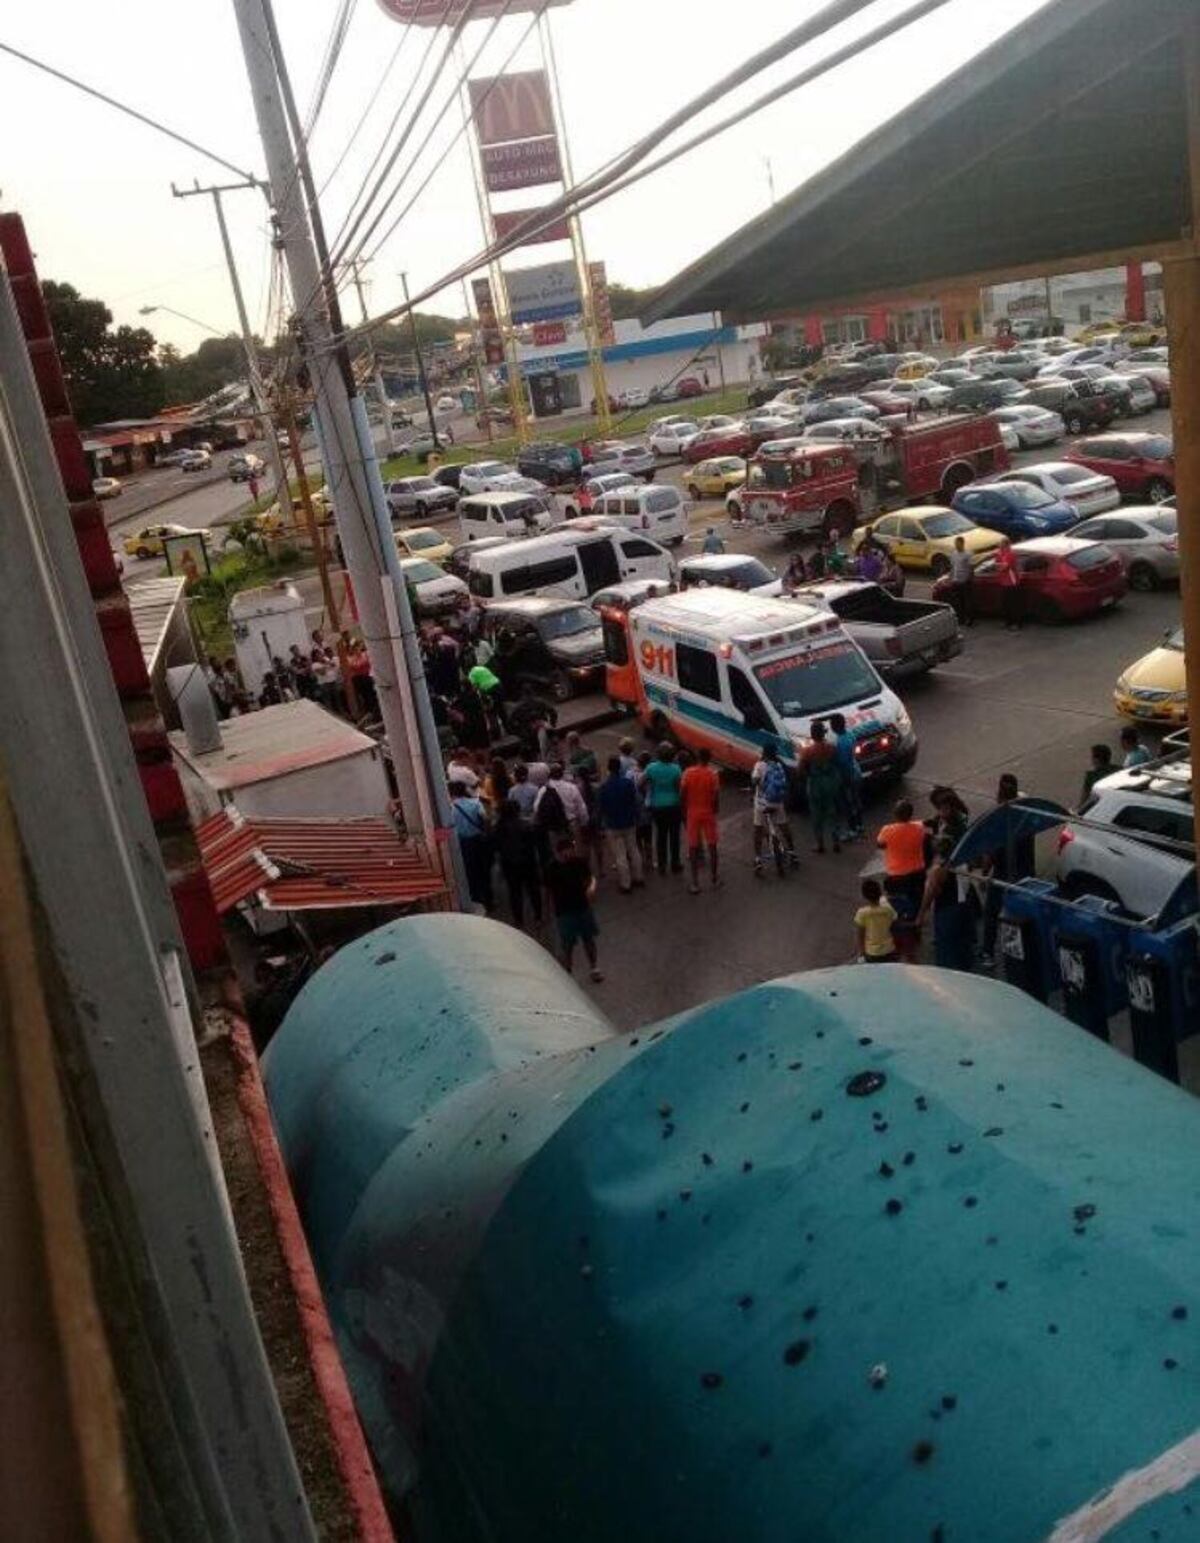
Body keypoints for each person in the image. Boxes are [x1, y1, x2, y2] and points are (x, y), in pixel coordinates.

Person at [979, 772, 1034, 968]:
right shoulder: (1025, 811)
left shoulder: (1000, 819)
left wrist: (984, 873)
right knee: (1023, 913)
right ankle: (1026, 952)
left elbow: (990, 854)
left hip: (1003, 874)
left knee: (992, 913)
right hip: (1025, 872)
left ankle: (988, 952)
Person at [543, 832, 603, 982]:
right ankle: (568, 971)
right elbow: (548, 891)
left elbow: (590, 878)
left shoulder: (579, 862)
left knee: (588, 939)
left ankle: (594, 968)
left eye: (572, 850)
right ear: (560, 852)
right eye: (568, 850)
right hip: (564, 911)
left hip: (583, 906)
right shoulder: (551, 868)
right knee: (567, 944)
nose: (571, 853)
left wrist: (591, 888)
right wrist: (548, 911)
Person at [876, 799, 928, 961]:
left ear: (895, 814)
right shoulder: (919, 828)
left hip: (897, 876)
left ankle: (901, 940)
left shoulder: (887, 830)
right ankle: (915, 932)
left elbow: (880, 845)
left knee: (898, 909)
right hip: (918, 873)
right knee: (916, 903)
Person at [917, 836, 976, 972]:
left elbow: (930, 893)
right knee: (963, 944)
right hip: (965, 906)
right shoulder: (962, 863)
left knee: (945, 948)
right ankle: (966, 970)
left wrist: (921, 914)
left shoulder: (939, 870)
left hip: (947, 908)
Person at [597, 754, 644, 894]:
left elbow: (601, 807)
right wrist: (637, 817)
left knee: (620, 855)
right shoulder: (627, 783)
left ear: (608, 769)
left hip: (613, 824)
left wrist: (601, 824)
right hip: (629, 821)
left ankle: (626, 883)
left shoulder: (604, 787)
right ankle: (638, 877)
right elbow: (634, 801)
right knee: (634, 850)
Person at [495, 799, 543, 929]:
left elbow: (496, 847)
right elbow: (534, 845)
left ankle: (519, 920)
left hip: (509, 865)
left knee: (514, 892)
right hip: (528, 862)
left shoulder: (499, 828)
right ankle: (538, 917)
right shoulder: (526, 825)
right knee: (533, 890)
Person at [751, 743, 798, 876]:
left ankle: (758, 859)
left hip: (762, 803)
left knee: (758, 829)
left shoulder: (759, 765)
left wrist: (757, 786)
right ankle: (793, 853)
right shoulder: (779, 765)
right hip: (777, 803)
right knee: (784, 827)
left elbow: (754, 781)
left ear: (764, 753)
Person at [680, 745, 722, 892]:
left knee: (693, 846)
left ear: (697, 758)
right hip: (707, 811)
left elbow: (683, 793)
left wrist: (684, 809)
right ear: (709, 759)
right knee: (712, 845)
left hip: (692, 812)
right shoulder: (713, 774)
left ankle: (695, 883)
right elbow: (716, 796)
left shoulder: (687, 773)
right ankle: (714, 878)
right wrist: (715, 809)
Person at [449, 779, 494, 913]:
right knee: (484, 871)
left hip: (462, 844)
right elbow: (485, 820)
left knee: (469, 873)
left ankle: (476, 900)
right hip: (479, 841)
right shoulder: (475, 803)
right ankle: (489, 900)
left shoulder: (450, 807)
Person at [643, 742, 684, 875]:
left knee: (661, 836)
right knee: (674, 836)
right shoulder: (676, 769)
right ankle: (675, 863)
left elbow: (640, 782)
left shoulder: (651, 767)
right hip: (674, 805)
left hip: (657, 806)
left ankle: (662, 865)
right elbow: (679, 788)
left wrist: (650, 789)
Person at [801, 722, 842, 854]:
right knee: (833, 813)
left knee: (816, 816)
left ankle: (820, 844)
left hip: (815, 784)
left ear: (812, 735)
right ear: (824, 734)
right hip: (830, 782)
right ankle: (836, 842)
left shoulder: (807, 752)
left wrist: (808, 775)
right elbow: (837, 763)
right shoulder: (831, 748)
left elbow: (801, 769)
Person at [828, 712, 864, 840]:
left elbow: (844, 763)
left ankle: (852, 829)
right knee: (856, 800)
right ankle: (860, 825)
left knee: (847, 804)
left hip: (847, 775)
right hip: (856, 770)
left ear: (834, 726)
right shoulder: (850, 735)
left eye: (831, 724)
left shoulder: (840, 742)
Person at [855, 878, 897, 964]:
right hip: (889, 949)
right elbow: (893, 926)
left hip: (872, 951)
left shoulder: (862, 913)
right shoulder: (888, 910)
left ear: (864, 896)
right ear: (880, 893)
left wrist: (861, 952)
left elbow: (860, 934)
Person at [995, 537, 1024, 631]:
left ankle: (1017, 623)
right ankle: (1008, 622)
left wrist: (1000, 566)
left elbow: (1004, 567)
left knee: (1013, 604)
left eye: (1001, 543)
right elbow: (997, 566)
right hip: (1003, 582)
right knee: (1005, 604)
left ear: (1006, 544)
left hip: (1012, 582)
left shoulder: (1011, 554)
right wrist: (999, 565)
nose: (999, 545)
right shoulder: (1000, 554)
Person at [947, 535, 975, 626]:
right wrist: (950, 578)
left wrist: (968, 579)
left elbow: (971, 568)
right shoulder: (953, 554)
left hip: (964, 581)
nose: (956, 545)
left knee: (967, 602)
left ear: (962, 543)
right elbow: (952, 567)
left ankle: (970, 619)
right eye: (955, 543)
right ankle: (960, 619)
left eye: (958, 543)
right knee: (957, 602)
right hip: (956, 581)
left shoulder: (968, 554)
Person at [1080, 743, 1114, 807]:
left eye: (1092, 757)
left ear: (1096, 759)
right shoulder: (1118, 770)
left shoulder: (1091, 776)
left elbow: (1084, 800)